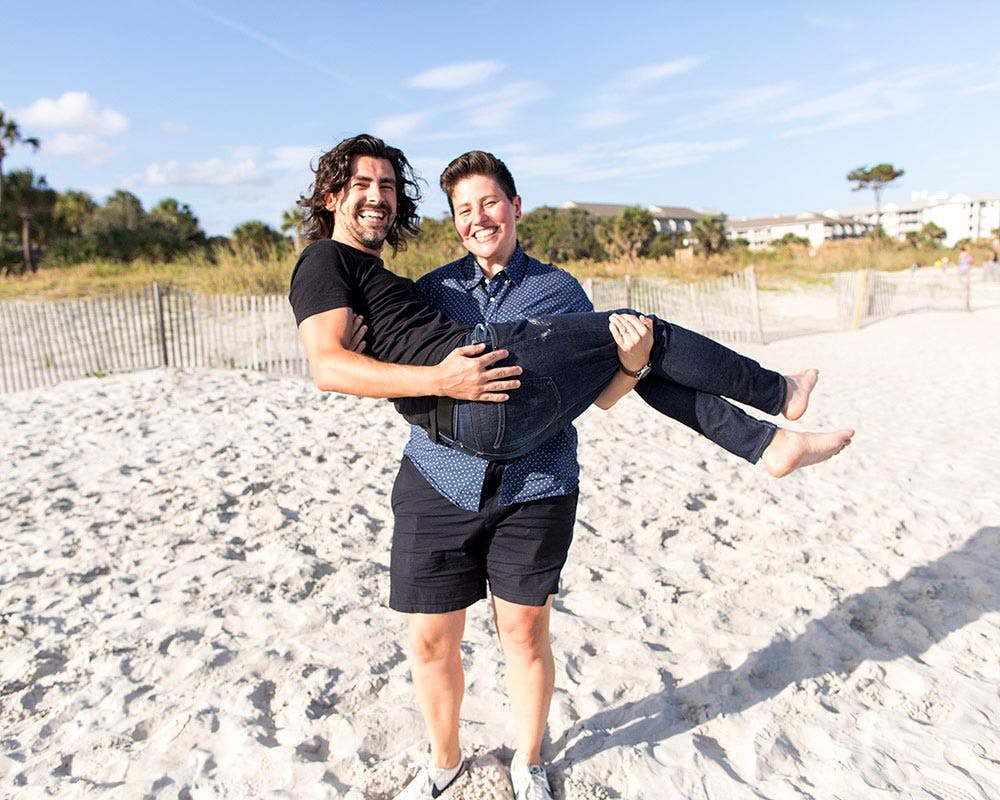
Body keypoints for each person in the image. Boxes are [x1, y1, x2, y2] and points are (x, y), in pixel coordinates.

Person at [289, 134, 853, 795]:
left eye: (489, 203)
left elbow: (602, 393)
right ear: (332, 197)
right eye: (463, 209)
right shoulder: (421, 285)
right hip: (445, 467)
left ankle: (529, 761)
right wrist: (434, 377)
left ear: (515, 206)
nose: (478, 218)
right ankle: (777, 408)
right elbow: (341, 363)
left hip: (535, 473)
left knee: (526, 628)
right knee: (430, 640)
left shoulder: (557, 290)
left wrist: (635, 365)